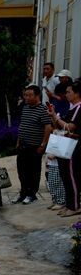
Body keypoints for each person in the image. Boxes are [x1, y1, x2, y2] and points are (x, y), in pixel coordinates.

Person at [13, 85, 52, 205]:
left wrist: (43, 145)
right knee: (21, 171)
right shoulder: (25, 108)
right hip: (23, 145)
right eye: (26, 95)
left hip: (35, 146)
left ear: (37, 96)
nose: (27, 97)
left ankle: (31, 194)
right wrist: (18, 141)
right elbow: (22, 125)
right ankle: (23, 193)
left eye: (30, 95)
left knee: (33, 172)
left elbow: (48, 127)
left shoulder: (43, 109)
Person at [48, 80, 81, 216]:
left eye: (69, 92)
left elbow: (70, 127)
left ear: (77, 93)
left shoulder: (79, 107)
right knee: (65, 176)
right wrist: (53, 115)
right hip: (66, 145)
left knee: (71, 176)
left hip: (74, 146)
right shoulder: (71, 108)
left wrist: (56, 118)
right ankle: (69, 204)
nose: (66, 94)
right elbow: (59, 126)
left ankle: (75, 206)